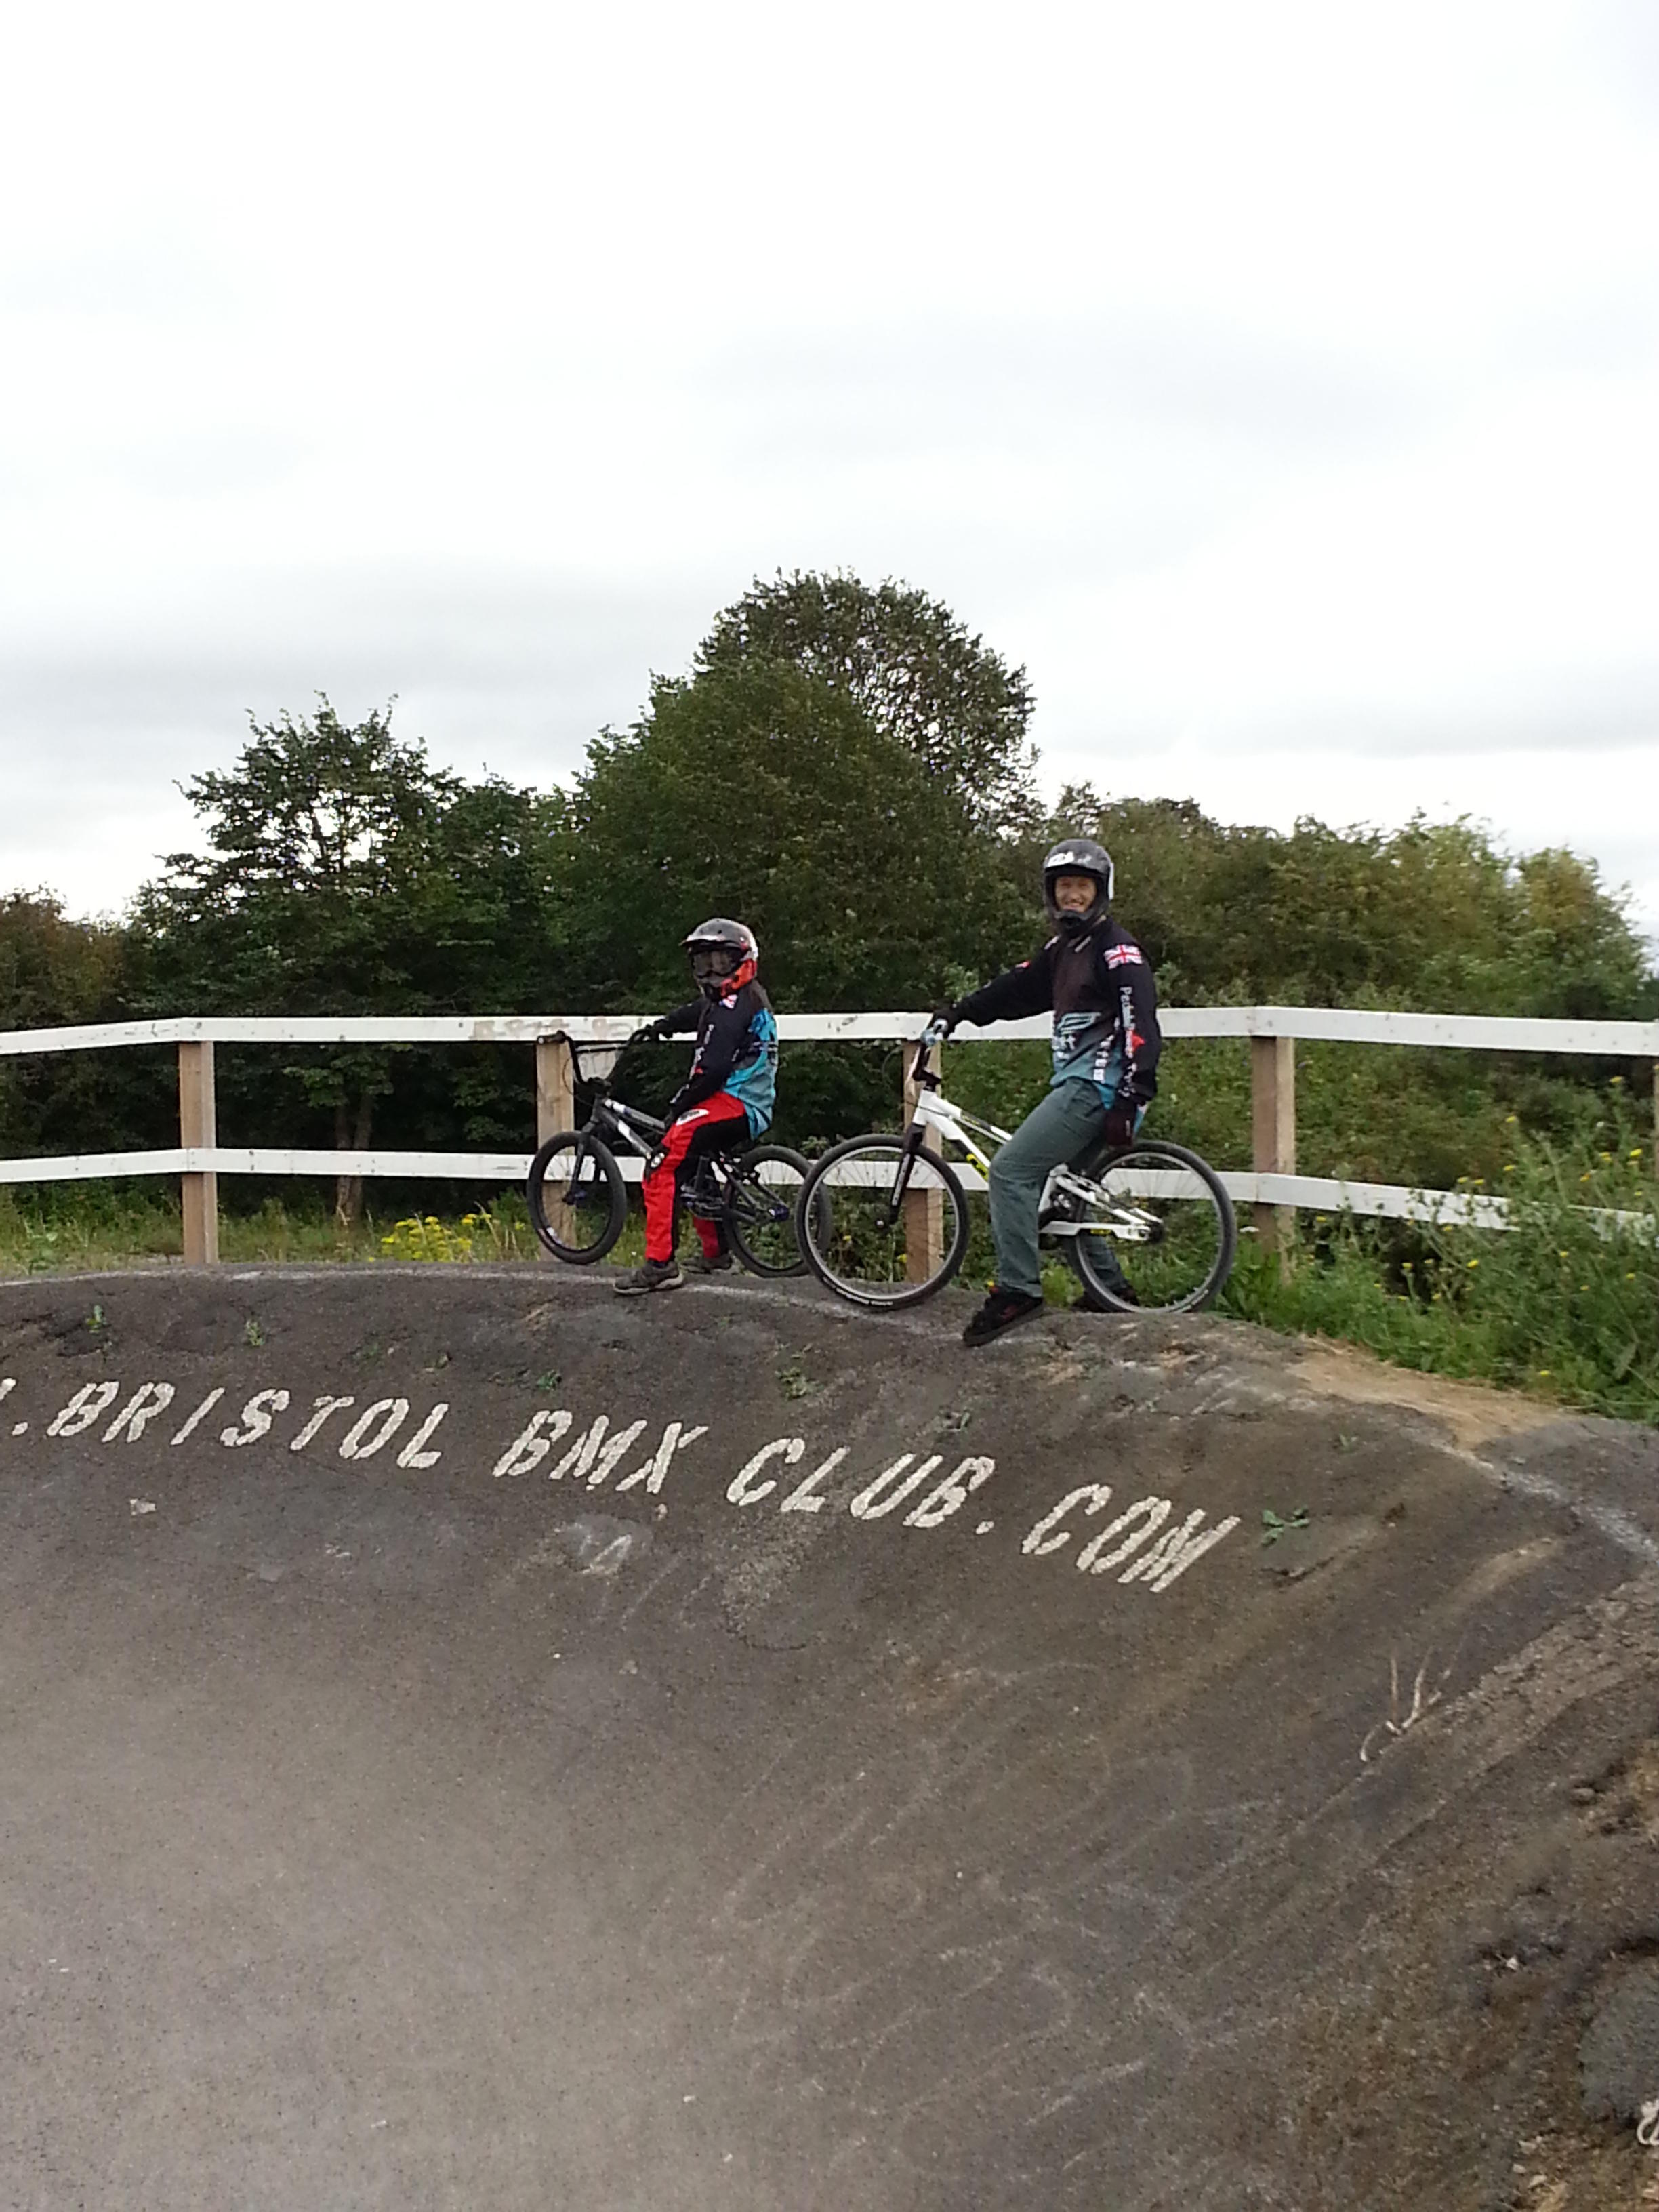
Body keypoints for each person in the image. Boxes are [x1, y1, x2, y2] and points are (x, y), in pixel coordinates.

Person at [939, 836, 1161, 1347]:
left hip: (1098, 1089)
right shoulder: (1064, 951)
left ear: (1100, 892)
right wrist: (959, 1012)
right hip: (1085, 1087)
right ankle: (1109, 1288)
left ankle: (1018, 1289)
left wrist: (1131, 1096)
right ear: (1052, 894)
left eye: (1082, 887)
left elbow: (1141, 1025)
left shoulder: (1117, 952)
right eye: (1065, 887)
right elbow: (1015, 990)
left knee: (1011, 1172)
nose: (1073, 897)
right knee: (1066, 1191)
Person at [613, 917, 778, 1296]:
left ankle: (660, 1264)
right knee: (695, 1168)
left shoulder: (733, 1006)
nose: (711, 972)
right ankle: (716, 1253)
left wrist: (679, 1103)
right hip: (746, 1103)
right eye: (703, 963)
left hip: (735, 1102)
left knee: (662, 1164)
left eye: (720, 962)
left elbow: (712, 1069)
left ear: (743, 960)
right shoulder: (738, 999)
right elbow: (695, 1012)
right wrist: (662, 1027)